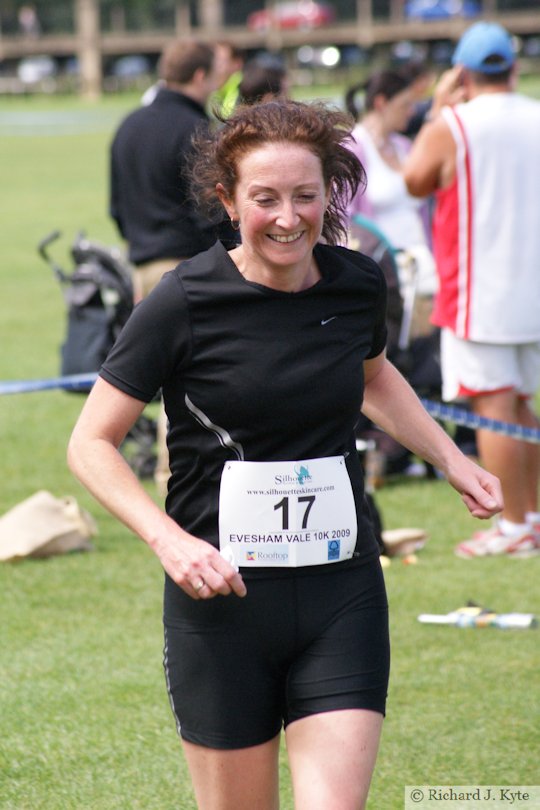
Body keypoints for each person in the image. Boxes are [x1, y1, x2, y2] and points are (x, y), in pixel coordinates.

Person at [68, 99, 502, 810]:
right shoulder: (182, 301)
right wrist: (169, 541)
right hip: (223, 600)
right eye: (264, 198)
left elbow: (374, 374)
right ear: (228, 200)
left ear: (330, 192)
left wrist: (451, 459)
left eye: (306, 195)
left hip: (342, 589)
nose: (288, 217)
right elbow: (90, 443)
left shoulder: (357, 283)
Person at [403, 21, 540, 558]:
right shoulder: (535, 114)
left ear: (461, 71)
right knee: (522, 407)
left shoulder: (453, 124)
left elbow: (416, 179)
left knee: (493, 407)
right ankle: (529, 518)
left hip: (479, 288)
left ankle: (511, 527)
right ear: (513, 65)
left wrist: (437, 109)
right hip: (531, 284)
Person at [109, 40, 237, 492]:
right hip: (188, 264)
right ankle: (179, 477)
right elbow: (209, 209)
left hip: (141, 260)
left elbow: (116, 205)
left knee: (156, 374)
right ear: (200, 76)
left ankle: (172, 475)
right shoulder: (195, 129)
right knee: (192, 378)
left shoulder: (129, 124)